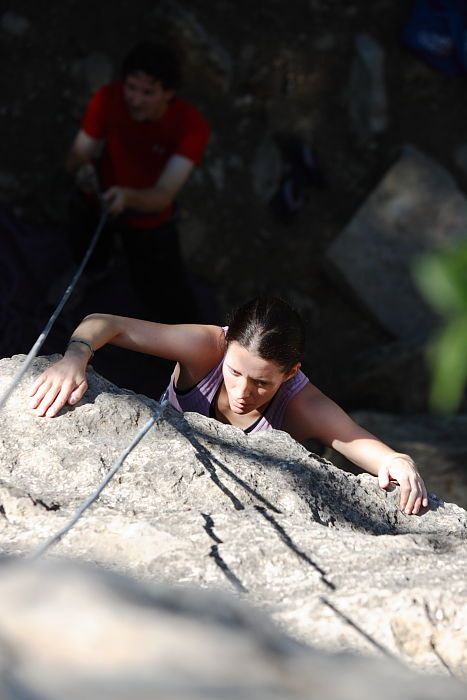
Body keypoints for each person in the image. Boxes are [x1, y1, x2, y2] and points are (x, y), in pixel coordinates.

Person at [30, 296, 428, 516]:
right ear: (227, 346)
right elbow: (105, 322)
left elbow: (358, 442)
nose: (242, 391)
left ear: (291, 374)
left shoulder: (300, 402)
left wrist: (397, 461)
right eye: (235, 371)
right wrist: (74, 358)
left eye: (261, 383)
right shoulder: (206, 347)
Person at [66, 41, 210, 322]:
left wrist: (128, 197)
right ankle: (89, 273)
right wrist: (81, 170)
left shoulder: (190, 126)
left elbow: (163, 194)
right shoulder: (108, 100)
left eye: (147, 92)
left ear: (168, 94)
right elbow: (78, 155)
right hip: (100, 200)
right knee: (86, 243)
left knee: (163, 285)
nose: (135, 99)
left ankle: (178, 330)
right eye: (131, 88)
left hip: (148, 218)